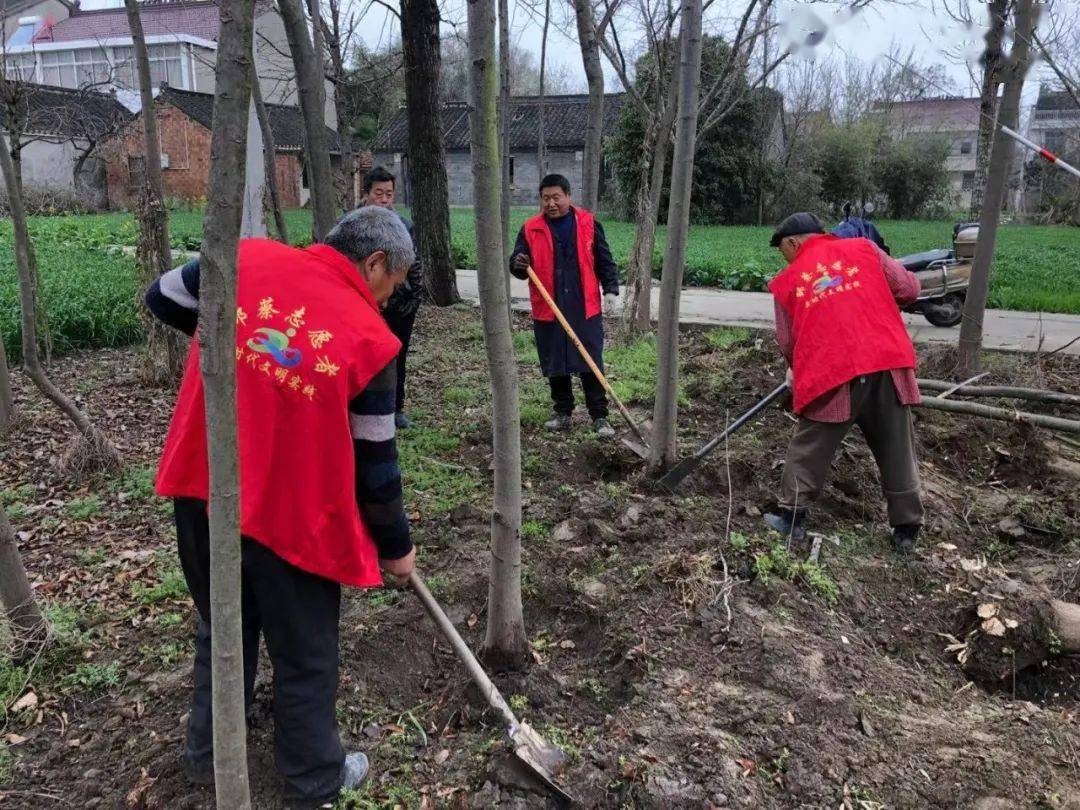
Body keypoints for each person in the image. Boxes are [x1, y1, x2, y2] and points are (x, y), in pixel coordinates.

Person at [145, 207, 416, 808]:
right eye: (393, 283)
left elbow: (161, 295)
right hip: (291, 520)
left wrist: (230, 341)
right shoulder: (370, 338)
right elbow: (377, 467)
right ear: (374, 264)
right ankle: (313, 779)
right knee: (305, 652)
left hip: (200, 492)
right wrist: (397, 548)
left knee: (224, 625)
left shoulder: (247, 259)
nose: (390, 298)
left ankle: (209, 755)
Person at [762, 211, 925, 554]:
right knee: (897, 445)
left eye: (784, 251)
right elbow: (909, 289)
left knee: (811, 445)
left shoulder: (788, 280)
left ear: (794, 243)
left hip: (832, 369)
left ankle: (790, 517)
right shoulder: (865, 249)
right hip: (886, 360)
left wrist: (795, 370)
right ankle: (906, 529)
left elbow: (788, 342)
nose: (786, 259)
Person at [509, 174, 620, 437]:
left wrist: (611, 289)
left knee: (590, 360)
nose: (551, 203)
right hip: (549, 306)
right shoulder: (530, 228)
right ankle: (562, 411)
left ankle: (599, 415)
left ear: (568, 196)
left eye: (556, 197)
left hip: (584, 305)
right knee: (555, 360)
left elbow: (604, 260)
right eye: (545, 198)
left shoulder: (589, 224)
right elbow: (517, 263)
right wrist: (518, 263)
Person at [361, 166, 424, 429]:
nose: (385, 199)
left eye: (389, 194)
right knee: (365, 356)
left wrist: (414, 296)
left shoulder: (404, 225)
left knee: (397, 356)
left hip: (400, 305)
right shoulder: (353, 225)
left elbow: (415, 263)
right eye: (379, 193)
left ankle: (395, 409)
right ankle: (361, 407)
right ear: (366, 194)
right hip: (365, 305)